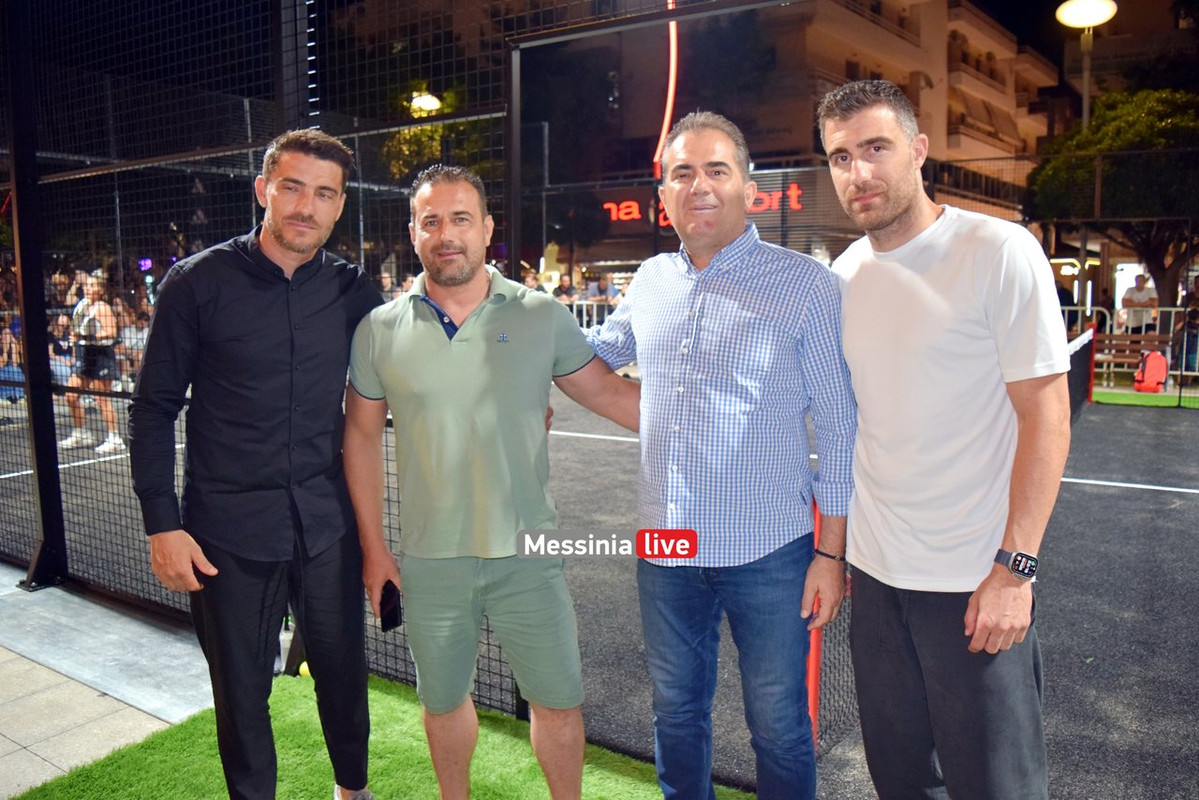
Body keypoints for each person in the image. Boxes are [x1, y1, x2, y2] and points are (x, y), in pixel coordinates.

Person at [343, 164, 638, 800]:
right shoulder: (378, 330)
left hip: (529, 553)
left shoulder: (541, 314)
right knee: (443, 702)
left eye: (460, 219)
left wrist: (723, 422)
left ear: (486, 229)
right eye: (431, 221)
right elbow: (360, 438)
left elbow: (614, 396)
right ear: (414, 233)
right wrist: (374, 549)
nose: (446, 234)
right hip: (431, 559)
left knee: (557, 702)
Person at [587, 111, 856, 800]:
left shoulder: (806, 285)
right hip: (665, 546)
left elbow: (838, 427)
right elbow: (594, 354)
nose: (698, 185)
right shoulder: (650, 279)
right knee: (675, 714)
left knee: (778, 726)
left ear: (748, 187)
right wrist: (516, 341)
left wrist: (830, 555)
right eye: (682, 173)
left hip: (771, 551)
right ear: (664, 194)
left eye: (716, 169)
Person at [817, 79, 1071, 800]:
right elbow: (850, 425)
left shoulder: (997, 250)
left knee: (996, 786)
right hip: (876, 579)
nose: (859, 172)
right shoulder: (845, 275)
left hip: (973, 580)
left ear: (918, 150)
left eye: (876, 148)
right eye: (840, 157)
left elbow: (1046, 417)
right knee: (899, 780)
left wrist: (1014, 571)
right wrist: (836, 556)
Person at [128, 129, 379, 800]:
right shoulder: (196, 284)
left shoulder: (356, 291)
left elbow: (411, 378)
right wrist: (162, 523)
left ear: (339, 205)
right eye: (292, 187)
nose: (305, 206)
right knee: (240, 692)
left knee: (343, 672)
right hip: (226, 531)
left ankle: (352, 791)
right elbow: (153, 408)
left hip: (326, 523)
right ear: (264, 190)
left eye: (323, 194)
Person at [59, 272, 126, 454]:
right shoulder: (83, 305)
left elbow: (111, 333)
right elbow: (75, 330)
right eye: (87, 285)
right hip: (84, 356)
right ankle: (81, 433)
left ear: (101, 290)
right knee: (71, 395)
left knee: (102, 399)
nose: (88, 289)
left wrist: (86, 336)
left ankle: (114, 438)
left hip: (100, 356)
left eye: (93, 285)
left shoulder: (103, 308)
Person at [47, 313, 74, 391]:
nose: (64, 327)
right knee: (63, 370)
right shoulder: (50, 336)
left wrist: (73, 360)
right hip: (56, 359)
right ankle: (66, 390)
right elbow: (51, 354)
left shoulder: (70, 335)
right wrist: (64, 361)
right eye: (62, 325)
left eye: (66, 326)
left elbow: (74, 351)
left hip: (69, 358)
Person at [1172, 307, 1199, 385]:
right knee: (1180, 365)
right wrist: (1185, 321)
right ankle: (1179, 382)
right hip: (1184, 348)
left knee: (1192, 366)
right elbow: (1176, 329)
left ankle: (1188, 382)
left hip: (1194, 349)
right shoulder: (1186, 324)